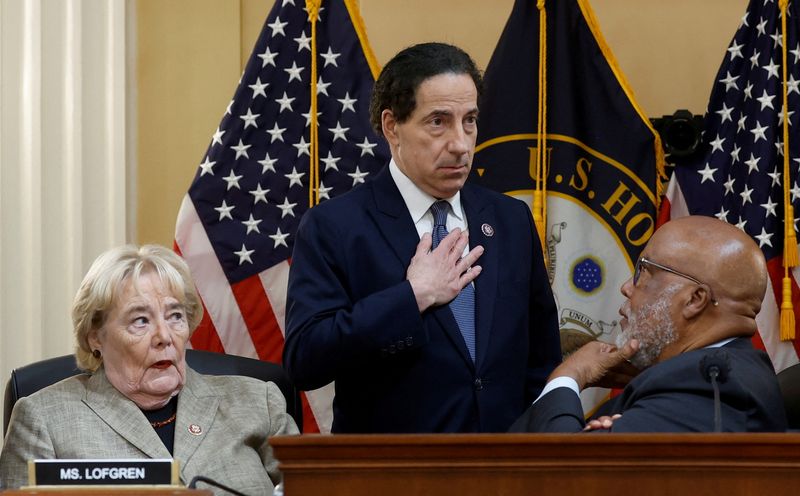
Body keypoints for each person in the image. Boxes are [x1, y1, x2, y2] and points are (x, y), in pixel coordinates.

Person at [283, 42, 562, 433]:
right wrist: (411, 297)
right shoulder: (335, 226)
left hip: (503, 470)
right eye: (438, 122)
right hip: (392, 473)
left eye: (469, 120)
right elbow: (305, 359)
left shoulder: (510, 220)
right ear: (392, 127)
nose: (461, 144)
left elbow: (541, 356)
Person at [0, 245, 298, 493]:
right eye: (140, 320)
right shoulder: (44, 419)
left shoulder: (258, 402)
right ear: (95, 336)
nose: (164, 336)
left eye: (175, 316)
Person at [510, 215, 787, 433]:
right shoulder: (692, 373)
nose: (626, 288)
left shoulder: (713, 384)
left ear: (694, 300)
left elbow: (568, 475)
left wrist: (569, 375)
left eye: (643, 272)